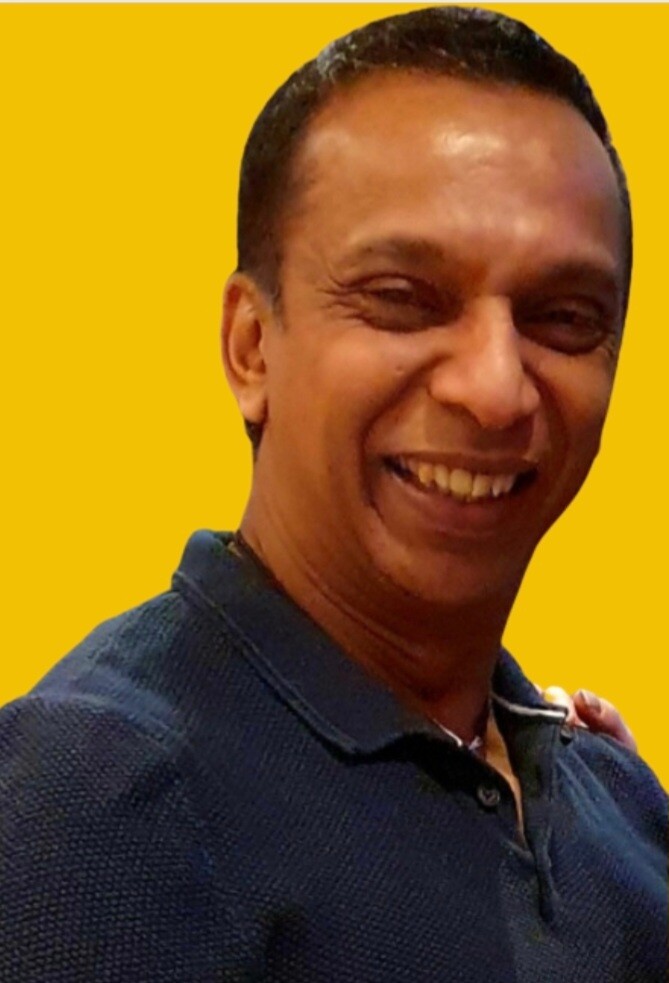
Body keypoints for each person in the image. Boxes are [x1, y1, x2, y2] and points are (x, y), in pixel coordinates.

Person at [0, 7, 665, 982]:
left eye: (563, 317)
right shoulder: (98, 805)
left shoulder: (612, 796)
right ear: (251, 348)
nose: (495, 388)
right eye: (402, 299)